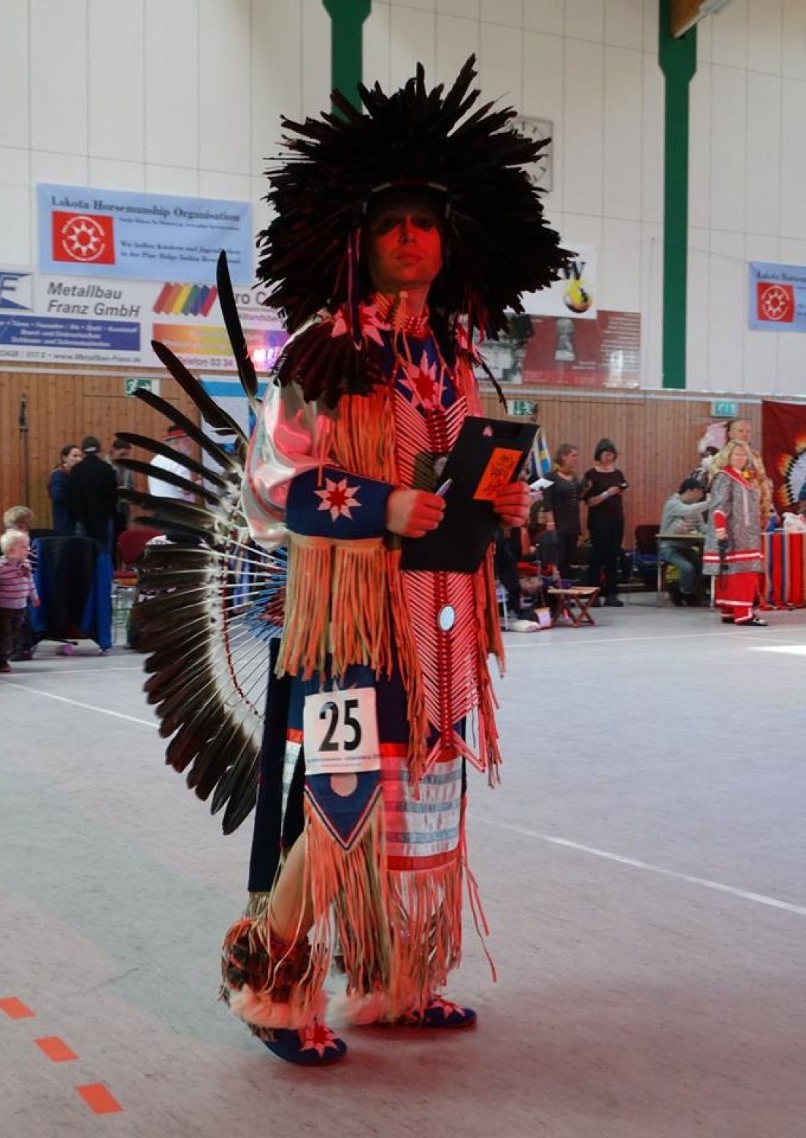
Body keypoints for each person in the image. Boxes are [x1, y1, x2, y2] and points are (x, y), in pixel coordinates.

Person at [219, 58, 568, 1066]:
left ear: (450, 240)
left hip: (443, 615)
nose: (411, 236)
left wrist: (495, 498)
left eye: (427, 220)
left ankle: (396, 981)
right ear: (356, 237)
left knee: (426, 798)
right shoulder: (325, 351)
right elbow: (277, 483)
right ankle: (272, 984)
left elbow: (462, 477)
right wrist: (385, 503)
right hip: (354, 617)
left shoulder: (457, 359)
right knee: (343, 797)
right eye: (393, 221)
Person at [703, 440, 766, 625]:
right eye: (737, 454)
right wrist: (721, 530)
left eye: (744, 455)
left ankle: (730, 611)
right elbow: (719, 505)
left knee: (734, 573)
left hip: (744, 534)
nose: (741, 458)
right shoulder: (724, 476)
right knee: (742, 574)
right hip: (734, 534)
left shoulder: (741, 477)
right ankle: (743, 613)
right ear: (728, 456)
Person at [0, 529, 40, 672]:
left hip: (21, 606)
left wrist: (34, 596)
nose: (28, 549)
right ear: (11, 550)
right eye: (24, 546)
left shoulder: (26, 564)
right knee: (4, 636)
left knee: (14, 635)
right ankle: (0, 661)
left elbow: (30, 582)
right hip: (4, 608)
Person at [582, 438, 627, 606]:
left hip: (616, 518)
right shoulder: (591, 474)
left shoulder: (617, 473)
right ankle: (594, 593)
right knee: (597, 555)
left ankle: (612, 593)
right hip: (598, 520)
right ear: (599, 455)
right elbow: (589, 501)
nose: (609, 458)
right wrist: (606, 494)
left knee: (613, 556)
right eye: (606, 454)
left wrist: (619, 493)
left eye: (611, 455)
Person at [707, 418, 773, 525]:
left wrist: (767, 511)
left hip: (756, 513)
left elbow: (763, 483)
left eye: (748, 431)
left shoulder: (755, 456)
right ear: (730, 434)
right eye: (741, 431)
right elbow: (718, 491)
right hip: (733, 516)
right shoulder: (721, 458)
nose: (745, 434)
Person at [659, 476, 707, 606]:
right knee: (687, 568)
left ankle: (694, 592)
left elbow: (703, 528)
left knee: (703, 566)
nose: (701, 495)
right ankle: (683, 592)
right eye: (699, 492)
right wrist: (710, 503)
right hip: (669, 547)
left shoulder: (694, 509)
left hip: (686, 547)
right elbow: (689, 511)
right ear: (690, 491)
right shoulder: (672, 504)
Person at [67, 436, 117, 553]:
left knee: (83, 558)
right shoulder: (106, 468)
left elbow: (71, 497)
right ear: (99, 450)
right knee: (103, 556)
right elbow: (113, 495)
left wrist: (77, 516)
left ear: (83, 451)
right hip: (103, 520)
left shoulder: (76, 470)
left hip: (83, 521)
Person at [541, 442, 582, 581]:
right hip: (558, 523)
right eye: (573, 455)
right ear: (564, 457)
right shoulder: (549, 476)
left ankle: (566, 593)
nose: (576, 458)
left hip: (573, 524)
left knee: (568, 560)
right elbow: (546, 501)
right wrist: (550, 523)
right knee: (558, 558)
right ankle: (555, 594)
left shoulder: (575, 478)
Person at [147, 428, 197, 501]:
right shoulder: (178, 461)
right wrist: (200, 484)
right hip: (177, 509)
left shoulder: (155, 460)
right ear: (176, 442)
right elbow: (186, 490)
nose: (191, 443)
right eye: (187, 440)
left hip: (158, 507)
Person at [48, 444, 83, 534]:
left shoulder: (77, 475)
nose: (79, 459)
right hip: (65, 520)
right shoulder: (59, 474)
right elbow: (57, 496)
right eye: (75, 456)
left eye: (80, 456)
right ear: (64, 458)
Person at [107, 437, 134, 538]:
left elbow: (131, 487)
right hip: (109, 512)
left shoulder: (127, 467)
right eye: (121, 454)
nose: (124, 458)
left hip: (123, 511)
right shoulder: (104, 466)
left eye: (127, 455)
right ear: (112, 451)